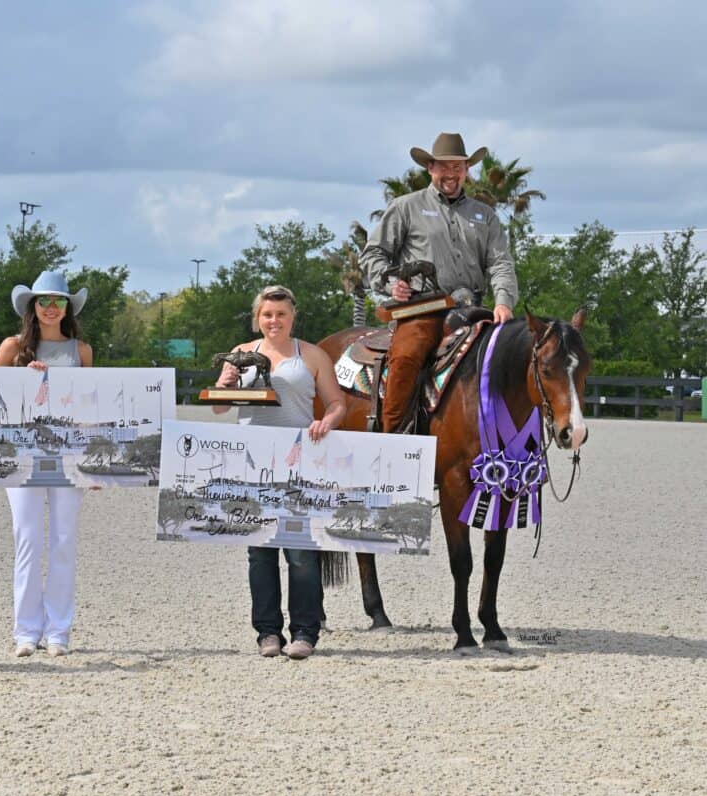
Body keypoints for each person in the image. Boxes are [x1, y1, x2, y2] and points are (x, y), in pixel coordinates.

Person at [214, 285, 346, 659]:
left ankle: (305, 631)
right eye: (267, 315)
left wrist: (327, 422)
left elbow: (337, 403)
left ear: (293, 316)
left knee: (301, 552)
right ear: (258, 318)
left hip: (298, 462)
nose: (274, 321)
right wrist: (223, 387)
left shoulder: (312, 355)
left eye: (281, 314)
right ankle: (267, 632)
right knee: (259, 551)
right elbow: (221, 410)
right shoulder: (241, 354)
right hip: (252, 462)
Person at [361, 132, 518, 433]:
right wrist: (392, 282)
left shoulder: (485, 216)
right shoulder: (406, 207)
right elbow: (374, 254)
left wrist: (503, 302)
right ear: (430, 168)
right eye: (444, 166)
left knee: (520, 353)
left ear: (467, 170)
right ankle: (390, 437)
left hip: (474, 308)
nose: (451, 174)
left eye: (458, 167)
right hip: (423, 308)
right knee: (407, 356)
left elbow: (500, 262)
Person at [0, 271, 93, 658]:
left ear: (67, 307)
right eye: (44, 301)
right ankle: (25, 630)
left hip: (68, 457)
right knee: (28, 539)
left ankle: (58, 631)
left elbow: (89, 407)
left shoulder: (81, 351)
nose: (51, 308)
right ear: (32, 306)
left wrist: (98, 463)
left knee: (65, 540)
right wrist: (22, 379)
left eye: (58, 301)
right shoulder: (12, 348)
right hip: (22, 455)